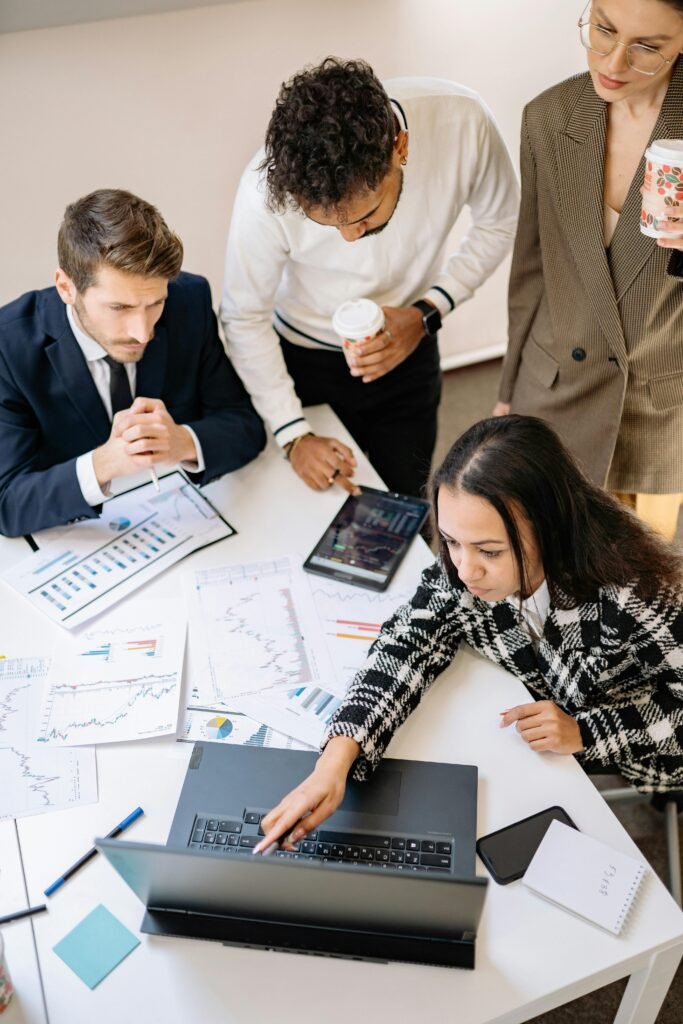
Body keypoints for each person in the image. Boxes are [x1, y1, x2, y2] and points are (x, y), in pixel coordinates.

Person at [257, 415, 683, 852]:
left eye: (490, 551)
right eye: (451, 541)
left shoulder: (640, 594)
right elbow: (408, 641)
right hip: (546, 722)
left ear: (550, 528)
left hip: (644, 754)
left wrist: (587, 733)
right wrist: (335, 762)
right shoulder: (466, 562)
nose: (464, 570)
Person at [221, 58, 519, 499]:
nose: (348, 238)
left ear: (400, 148)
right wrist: (293, 433)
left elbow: (501, 220)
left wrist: (428, 311)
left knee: (406, 506)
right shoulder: (262, 190)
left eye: (362, 217)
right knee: (307, 512)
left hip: (410, 346)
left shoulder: (462, 121)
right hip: (300, 363)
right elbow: (244, 316)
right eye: (326, 224)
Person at [495, 0, 683, 540]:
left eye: (647, 47)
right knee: (551, 549)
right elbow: (530, 265)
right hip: (557, 383)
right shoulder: (548, 116)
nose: (614, 61)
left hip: (659, 398)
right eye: (603, 29)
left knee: (642, 577)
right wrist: (509, 386)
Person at [0, 189, 266, 538]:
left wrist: (182, 442)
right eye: (119, 308)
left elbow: (244, 425)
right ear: (66, 287)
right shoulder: (9, 346)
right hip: (81, 541)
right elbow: (7, 503)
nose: (143, 332)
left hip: (187, 525)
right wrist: (105, 463)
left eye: (155, 303)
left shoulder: (190, 301)